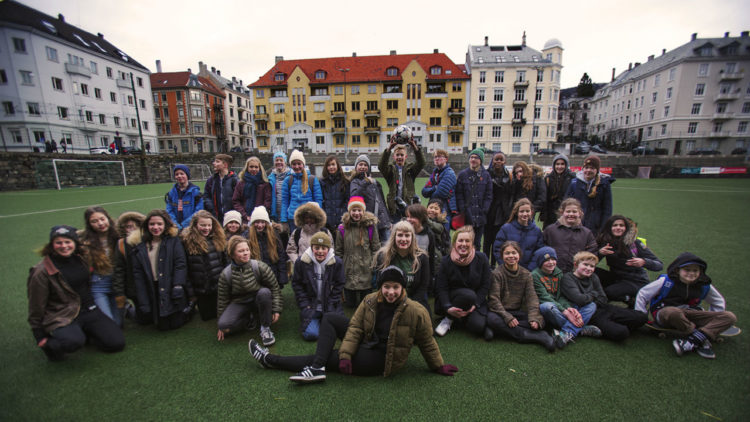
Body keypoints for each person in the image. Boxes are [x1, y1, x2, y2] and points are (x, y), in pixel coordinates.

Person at [248, 266, 457, 383]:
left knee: (328, 357)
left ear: (403, 288)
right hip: (367, 340)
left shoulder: (416, 311)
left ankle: (272, 360)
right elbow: (356, 328)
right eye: (386, 287)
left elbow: (427, 341)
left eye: (395, 287)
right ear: (380, 287)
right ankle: (318, 367)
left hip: (381, 358)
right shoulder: (371, 300)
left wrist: (438, 365)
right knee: (330, 317)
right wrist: (347, 355)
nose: (390, 292)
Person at [27, 226, 125, 361]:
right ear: (52, 244)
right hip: (64, 315)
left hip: (90, 310)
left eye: (68, 242)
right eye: (59, 243)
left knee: (116, 343)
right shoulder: (41, 272)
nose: (64, 246)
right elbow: (36, 305)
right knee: (72, 342)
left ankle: (87, 333)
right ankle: (52, 346)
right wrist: (39, 334)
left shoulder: (81, 258)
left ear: (74, 243)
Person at [635, 252, 737, 359]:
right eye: (687, 270)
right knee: (674, 312)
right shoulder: (666, 281)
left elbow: (718, 301)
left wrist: (711, 320)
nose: (691, 273)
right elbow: (643, 294)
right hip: (666, 313)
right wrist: (640, 314)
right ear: (678, 270)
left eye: (695, 270)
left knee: (729, 317)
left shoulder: (704, 285)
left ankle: (693, 340)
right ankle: (700, 336)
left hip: (692, 314)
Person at [561, 252, 647, 343]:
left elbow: (603, 298)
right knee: (622, 333)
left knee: (641, 317)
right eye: (585, 265)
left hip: (603, 308)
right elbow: (580, 300)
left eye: (592, 266)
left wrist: (591, 299)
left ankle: (616, 323)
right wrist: (594, 294)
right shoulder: (568, 278)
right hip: (591, 315)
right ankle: (592, 328)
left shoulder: (593, 277)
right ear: (576, 264)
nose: (588, 268)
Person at [485, 241, 555, 352]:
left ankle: (498, 331)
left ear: (519, 255)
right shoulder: (496, 274)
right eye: (507, 253)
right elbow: (494, 300)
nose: (511, 256)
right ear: (502, 256)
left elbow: (532, 298)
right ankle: (533, 336)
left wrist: (534, 318)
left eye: (514, 252)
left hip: (518, 313)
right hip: (500, 313)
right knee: (491, 319)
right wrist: (507, 317)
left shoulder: (526, 274)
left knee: (541, 318)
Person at [130, 209, 191, 330]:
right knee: (159, 325)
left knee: (175, 323)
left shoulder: (173, 241)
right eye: (152, 224)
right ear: (147, 226)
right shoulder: (140, 246)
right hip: (153, 286)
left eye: (159, 224)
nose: (155, 227)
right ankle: (129, 311)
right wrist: (142, 299)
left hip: (169, 283)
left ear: (165, 225)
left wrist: (178, 284)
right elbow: (138, 274)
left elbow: (180, 264)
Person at [217, 236, 282, 346]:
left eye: (247, 250)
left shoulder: (259, 266)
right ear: (232, 254)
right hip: (240, 302)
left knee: (265, 292)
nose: (246, 253)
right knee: (224, 326)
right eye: (241, 251)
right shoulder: (226, 274)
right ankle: (249, 319)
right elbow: (222, 299)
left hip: (259, 298)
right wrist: (221, 324)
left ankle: (265, 328)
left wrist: (276, 309)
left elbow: (274, 288)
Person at [531, 247, 601, 349]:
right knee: (547, 306)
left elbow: (561, 295)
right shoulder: (535, 275)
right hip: (547, 307)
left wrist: (569, 308)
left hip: (561, 306)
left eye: (553, 259)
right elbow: (545, 297)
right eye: (546, 260)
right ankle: (581, 329)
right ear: (540, 262)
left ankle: (566, 333)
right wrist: (565, 311)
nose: (551, 262)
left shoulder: (558, 273)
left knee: (591, 305)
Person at [434, 226, 491, 338]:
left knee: (478, 327)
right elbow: (441, 287)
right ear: (455, 243)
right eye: (460, 240)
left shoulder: (482, 258)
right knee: (468, 295)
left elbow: (485, 284)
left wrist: (476, 304)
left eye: (467, 241)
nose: (463, 244)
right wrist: (448, 307)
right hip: (452, 299)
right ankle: (449, 319)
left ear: (472, 243)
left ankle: (460, 319)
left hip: (474, 302)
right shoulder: (446, 261)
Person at [596, 215, 663, 305]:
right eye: (615, 225)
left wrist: (644, 262)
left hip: (636, 281)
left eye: (621, 225)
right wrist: (600, 253)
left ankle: (630, 299)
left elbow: (659, 265)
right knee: (593, 272)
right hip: (616, 277)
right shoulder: (605, 241)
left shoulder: (635, 243)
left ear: (626, 228)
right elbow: (590, 262)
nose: (618, 228)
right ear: (609, 227)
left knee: (609, 292)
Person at [291, 232, 346, 341]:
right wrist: (304, 304)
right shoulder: (301, 262)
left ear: (329, 249)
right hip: (311, 305)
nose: (320, 251)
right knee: (311, 335)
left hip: (330, 304)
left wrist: (331, 303)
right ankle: (318, 321)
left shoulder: (337, 262)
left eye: (323, 248)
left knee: (342, 331)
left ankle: (323, 320)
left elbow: (339, 284)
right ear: (311, 248)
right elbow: (296, 284)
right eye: (317, 248)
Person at [374, 221, 431, 315]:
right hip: (391, 297)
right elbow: (380, 283)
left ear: (412, 237)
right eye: (400, 235)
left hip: (414, 298)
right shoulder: (383, 256)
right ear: (394, 236)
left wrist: (411, 304)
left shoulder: (422, 257)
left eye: (407, 235)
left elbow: (424, 285)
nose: (403, 239)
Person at [335, 196, 380, 308]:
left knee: (366, 303)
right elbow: (339, 250)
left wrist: (373, 264)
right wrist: (339, 267)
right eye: (353, 210)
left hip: (366, 268)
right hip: (349, 268)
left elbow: (375, 248)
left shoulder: (370, 227)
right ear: (349, 211)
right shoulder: (342, 229)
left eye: (359, 210)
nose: (356, 213)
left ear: (363, 211)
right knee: (351, 305)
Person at [181, 210, 227, 321]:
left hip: (217, 287)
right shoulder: (187, 241)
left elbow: (224, 262)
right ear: (195, 225)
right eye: (203, 225)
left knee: (220, 314)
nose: (206, 228)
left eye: (209, 225)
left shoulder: (218, 238)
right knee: (207, 317)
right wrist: (191, 293)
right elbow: (186, 269)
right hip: (201, 290)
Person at [80, 207, 122, 326]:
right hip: (99, 285)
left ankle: (126, 308)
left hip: (117, 284)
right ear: (89, 224)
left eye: (102, 219)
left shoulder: (118, 236)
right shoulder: (85, 242)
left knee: (118, 323)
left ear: (108, 218)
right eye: (94, 221)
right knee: (110, 324)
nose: (100, 223)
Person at [379, 134, 425, 223]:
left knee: (409, 231)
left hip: (408, 206)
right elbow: (381, 166)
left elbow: (421, 163)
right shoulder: (390, 170)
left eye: (402, 155)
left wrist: (414, 146)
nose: (399, 157)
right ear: (394, 156)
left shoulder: (411, 169)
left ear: (406, 156)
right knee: (396, 231)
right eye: (397, 155)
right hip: (394, 208)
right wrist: (389, 149)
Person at [543, 198, 597, 273]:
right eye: (568, 211)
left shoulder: (587, 233)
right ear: (562, 212)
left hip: (576, 275)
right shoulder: (550, 230)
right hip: (553, 273)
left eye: (574, 212)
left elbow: (591, 254)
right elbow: (542, 250)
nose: (571, 214)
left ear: (580, 213)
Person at [564, 154, 614, 234]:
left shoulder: (604, 184)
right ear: (583, 168)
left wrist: (603, 227)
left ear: (597, 170)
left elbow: (607, 209)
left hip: (595, 227)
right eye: (586, 168)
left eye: (592, 168)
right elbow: (566, 203)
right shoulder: (574, 183)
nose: (588, 170)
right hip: (576, 224)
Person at [455, 148, 493, 250]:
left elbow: (489, 195)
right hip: (467, 215)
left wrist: (484, 209)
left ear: (481, 160)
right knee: (465, 243)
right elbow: (459, 194)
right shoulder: (463, 174)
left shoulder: (486, 175)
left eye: (476, 157)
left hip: (480, 216)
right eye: (471, 157)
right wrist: (463, 209)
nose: (473, 159)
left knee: (477, 243)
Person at [112, 211, 146, 323]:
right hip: (134, 287)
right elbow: (119, 270)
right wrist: (120, 293)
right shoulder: (121, 244)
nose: (130, 230)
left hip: (150, 284)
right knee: (142, 320)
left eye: (132, 226)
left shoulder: (148, 240)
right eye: (127, 227)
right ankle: (128, 309)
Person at [492, 198, 544, 271]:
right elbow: (497, 249)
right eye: (522, 211)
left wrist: (529, 269)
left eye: (527, 211)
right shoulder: (506, 229)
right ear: (516, 212)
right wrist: (506, 266)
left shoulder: (537, 231)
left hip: (528, 271)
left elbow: (538, 252)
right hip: (508, 269)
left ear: (531, 212)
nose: (525, 214)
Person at [349, 154, 390, 241]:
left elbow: (382, 202)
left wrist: (388, 220)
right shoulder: (354, 182)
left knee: (386, 249)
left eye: (365, 165)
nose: (363, 167)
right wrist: (366, 182)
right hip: (369, 222)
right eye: (360, 164)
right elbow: (354, 196)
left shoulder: (375, 182)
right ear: (356, 167)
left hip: (383, 222)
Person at [281, 150, 323, 234]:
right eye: (294, 164)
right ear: (291, 165)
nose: (296, 166)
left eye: (299, 163)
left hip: (309, 218)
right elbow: (285, 202)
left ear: (303, 164)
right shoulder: (287, 180)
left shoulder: (312, 179)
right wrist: (284, 220)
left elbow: (318, 200)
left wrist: (318, 217)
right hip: (293, 218)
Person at [247, 206, 288, 289]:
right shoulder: (247, 236)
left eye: (263, 222)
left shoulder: (274, 235)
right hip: (255, 275)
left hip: (272, 274)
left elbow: (280, 256)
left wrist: (282, 277)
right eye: (257, 222)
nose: (260, 225)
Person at [484, 152, 513, 266]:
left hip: (502, 213)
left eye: (501, 160)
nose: (498, 162)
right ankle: (486, 265)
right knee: (487, 241)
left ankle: (494, 265)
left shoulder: (509, 176)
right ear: (493, 160)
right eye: (496, 159)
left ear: (504, 161)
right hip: (489, 211)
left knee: (498, 242)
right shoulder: (486, 174)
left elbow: (511, 194)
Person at [286, 202, 331, 267]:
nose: (309, 220)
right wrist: (297, 262)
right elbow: (291, 250)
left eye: (312, 218)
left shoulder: (325, 232)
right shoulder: (297, 232)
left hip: (321, 267)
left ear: (317, 218)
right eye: (306, 217)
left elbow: (331, 250)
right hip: (302, 268)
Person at [422, 149, 456, 231]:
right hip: (435, 207)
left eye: (440, 157)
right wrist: (435, 187)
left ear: (446, 159)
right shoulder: (435, 173)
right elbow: (424, 191)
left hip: (445, 208)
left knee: (444, 234)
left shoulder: (449, 173)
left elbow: (440, 193)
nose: (437, 159)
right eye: (435, 157)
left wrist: (432, 190)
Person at [233, 156, 272, 223]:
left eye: (256, 167)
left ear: (259, 168)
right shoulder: (241, 183)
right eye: (251, 167)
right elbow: (236, 201)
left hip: (260, 218)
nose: (254, 169)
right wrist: (244, 215)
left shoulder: (265, 184)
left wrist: (259, 215)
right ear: (247, 168)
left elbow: (267, 201)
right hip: (244, 218)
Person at [165, 164, 203, 230]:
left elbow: (198, 212)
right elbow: (169, 211)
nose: (179, 176)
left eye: (182, 174)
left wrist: (183, 225)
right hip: (175, 227)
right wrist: (176, 224)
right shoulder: (171, 193)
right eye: (177, 174)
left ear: (187, 175)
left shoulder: (196, 193)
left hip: (191, 228)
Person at [541, 154, 575, 228]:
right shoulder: (548, 178)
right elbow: (545, 197)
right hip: (550, 214)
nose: (559, 167)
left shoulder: (572, 178)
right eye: (557, 164)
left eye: (562, 164)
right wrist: (543, 214)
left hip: (566, 212)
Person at [204, 154, 238, 224]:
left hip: (231, 218)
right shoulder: (211, 180)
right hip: (216, 218)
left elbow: (238, 199)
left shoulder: (234, 180)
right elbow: (206, 196)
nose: (214, 163)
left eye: (217, 161)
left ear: (225, 165)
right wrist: (211, 208)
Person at [319, 155, 349, 234]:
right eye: (329, 165)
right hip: (326, 223)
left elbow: (347, 200)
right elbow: (321, 200)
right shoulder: (322, 182)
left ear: (337, 166)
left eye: (333, 164)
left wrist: (342, 214)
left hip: (341, 221)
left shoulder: (345, 182)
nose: (331, 167)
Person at [268, 151, 293, 244]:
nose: (279, 162)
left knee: (291, 235)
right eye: (276, 160)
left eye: (281, 160)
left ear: (285, 162)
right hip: (276, 210)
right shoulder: (270, 177)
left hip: (289, 211)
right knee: (280, 237)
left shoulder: (291, 175)